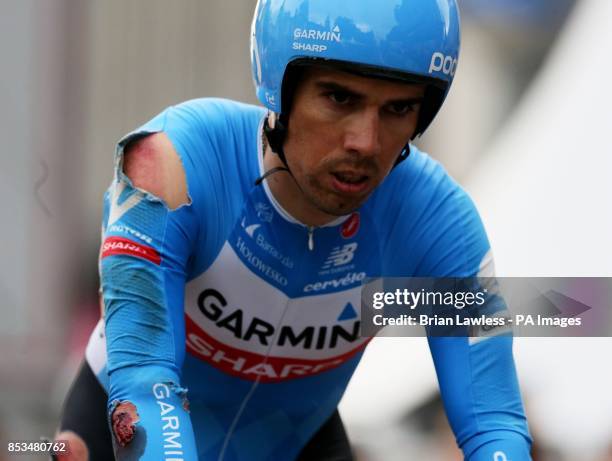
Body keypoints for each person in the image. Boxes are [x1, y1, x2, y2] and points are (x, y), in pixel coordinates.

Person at [55, 0, 532, 460]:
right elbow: (144, 381)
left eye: (398, 109)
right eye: (339, 98)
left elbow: (493, 425)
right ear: (280, 90)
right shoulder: (174, 164)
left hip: (298, 444)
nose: (364, 143)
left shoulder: (438, 221)